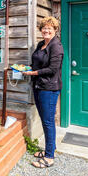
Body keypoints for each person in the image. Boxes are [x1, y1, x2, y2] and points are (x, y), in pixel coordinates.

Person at [23, 16, 64, 168]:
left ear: (55, 30)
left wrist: (33, 73)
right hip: (39, 86)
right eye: (44, 28)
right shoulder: (41, 44)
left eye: (49, 28)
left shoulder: (56, 46)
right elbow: (36, 63)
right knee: (45, 120)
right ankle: (50, 148)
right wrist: (27, 68)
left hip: (49, 88)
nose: (46, 30)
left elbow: (53, 69)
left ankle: (49, 157)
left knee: (48, 121)